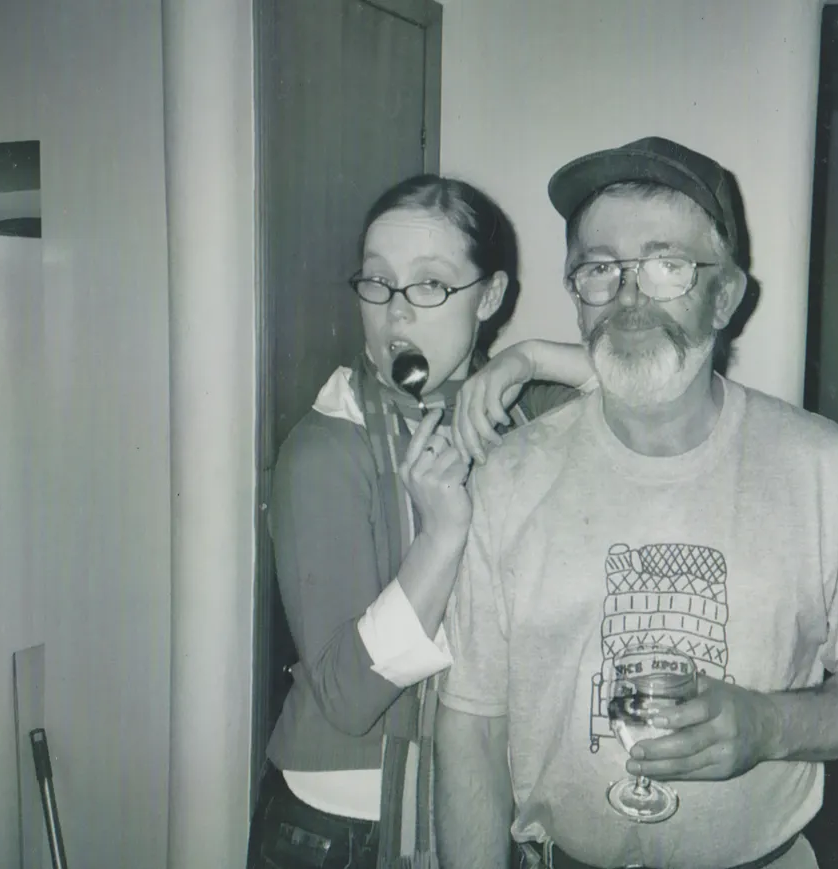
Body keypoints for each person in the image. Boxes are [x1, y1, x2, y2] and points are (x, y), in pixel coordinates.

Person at [434, 137, 838, 869]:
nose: (630, 297)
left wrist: (767, 724)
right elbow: (473, 723)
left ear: (726, 294)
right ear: (576, 294)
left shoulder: (822, 467)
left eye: (668, 265)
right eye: (600, 268)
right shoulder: (507, 477)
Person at [246, 174, 593, 869]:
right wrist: (441, 536)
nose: (396, 312)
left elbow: (657, 390)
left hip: (483, 807)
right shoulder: (325, 445)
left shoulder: (521, 415)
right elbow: (346, 695)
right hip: (340, 834)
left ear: (489, 297)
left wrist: (526, 359)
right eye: (378, 282)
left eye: (430, 285)